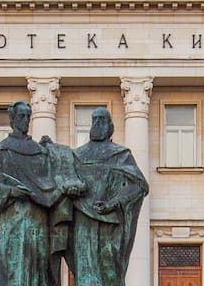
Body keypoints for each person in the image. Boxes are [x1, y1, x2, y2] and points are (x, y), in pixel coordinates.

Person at [0, 101, 76, 286]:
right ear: (12, 119)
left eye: (28, 117)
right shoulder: (1, 151)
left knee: (40, 272)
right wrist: (10, 191)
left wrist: (53, 151)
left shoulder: (40, 152)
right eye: (21, 116)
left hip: (39, 221)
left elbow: (54, 175)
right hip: (13, 222)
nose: (25, 121)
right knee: (16, 271)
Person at [69, 107, 149, 286]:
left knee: (110, 272)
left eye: (102, 120)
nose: (97, 123)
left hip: (111, 223)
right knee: (84, 270)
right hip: (83, 221)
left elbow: (138, 186)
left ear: (110, 127)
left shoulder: (121, 155)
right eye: (94, 120)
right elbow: (65, 180)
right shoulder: (77, 155)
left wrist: (113, 203)